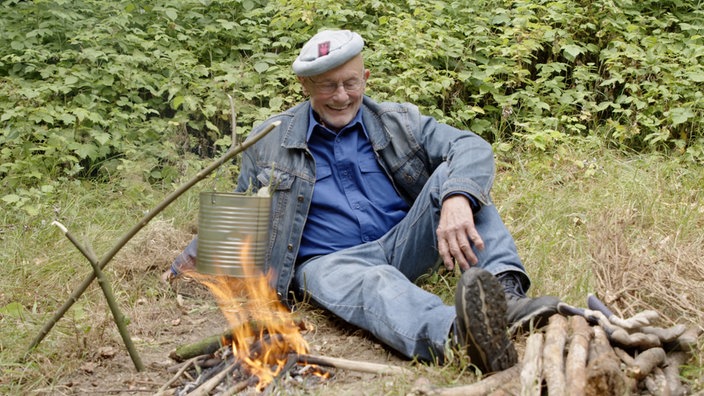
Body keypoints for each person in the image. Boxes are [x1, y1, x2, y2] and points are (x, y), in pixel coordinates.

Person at [165, 29, 559, 373]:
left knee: (458, 181)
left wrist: (457, 197)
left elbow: (469, 146)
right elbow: (246, 205)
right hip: (330, 264)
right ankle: (459, 336)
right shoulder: (269, 138)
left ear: (365, 78)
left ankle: (505, 296)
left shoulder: (398, 120)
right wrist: (191, 260)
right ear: (305, 86)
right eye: (327, 85)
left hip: (405, 243)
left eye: (350, 83)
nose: (341, 96)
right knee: (373, 282)